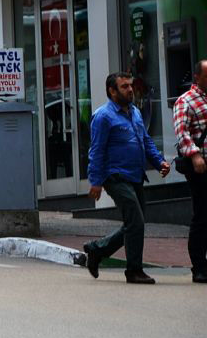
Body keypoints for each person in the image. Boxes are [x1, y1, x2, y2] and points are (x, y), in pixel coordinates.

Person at [83, 71, 169, 284]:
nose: (130, 89)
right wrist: (95, 181)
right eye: (124, 87)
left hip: (135, 175)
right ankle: (134, 271)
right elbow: (96, 150)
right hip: (115, 176)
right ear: (112, 91)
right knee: (136, 222)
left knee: (134, 223)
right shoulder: (103, 116)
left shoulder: (135, 113)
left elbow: (146, 140)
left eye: (130, 85)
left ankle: (97, 250)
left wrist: (159, 162)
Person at [170, 58, 207, 284]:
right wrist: (194, 155)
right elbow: (182, 133)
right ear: (197, 77)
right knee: (202, 215)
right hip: (201, 167)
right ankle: (199, 267)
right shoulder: (186, 101)